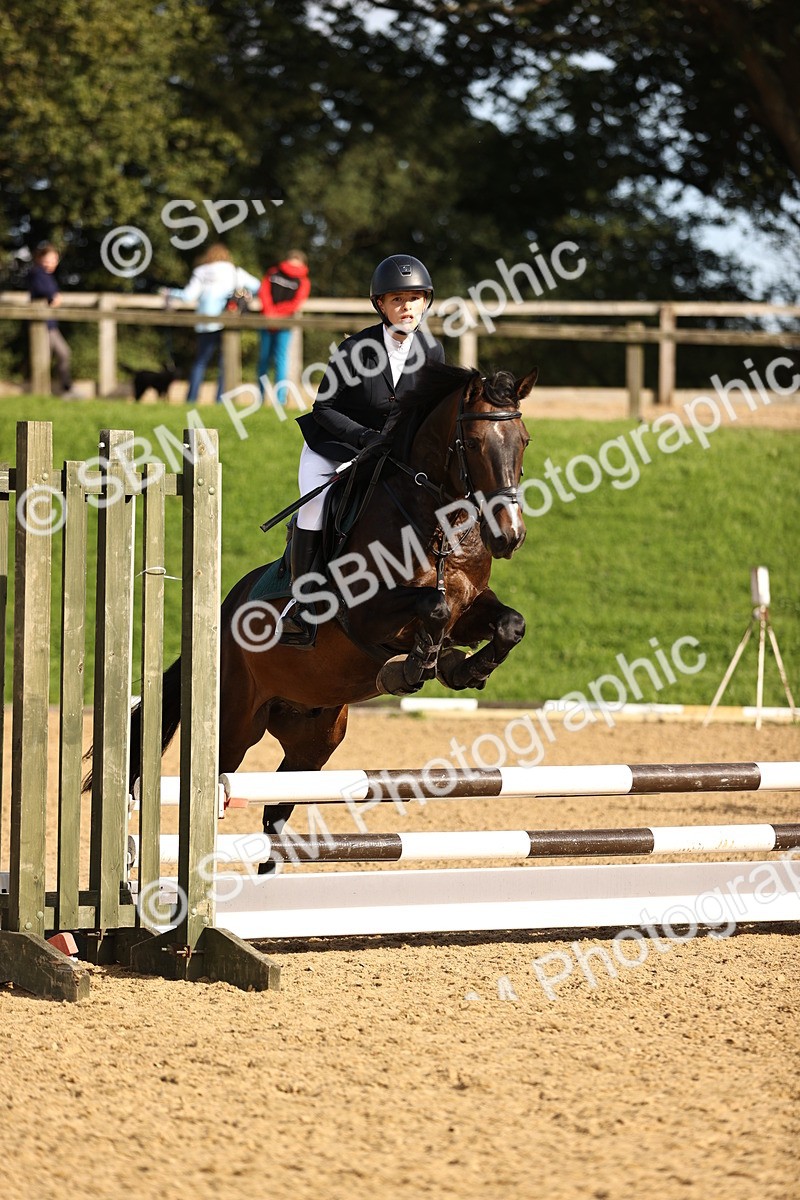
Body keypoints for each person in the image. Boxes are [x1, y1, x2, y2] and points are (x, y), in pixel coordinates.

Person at [283, 253, 445, 638]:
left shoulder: (433, 351)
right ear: (381, 305)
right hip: (335, 450)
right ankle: (301, 605)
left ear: (426, 302)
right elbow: (324, 408)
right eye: (397, 300)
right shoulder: (355, 349)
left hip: (391, 457)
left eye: (414, 299)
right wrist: (364, 437)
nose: (406, 307)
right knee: (315, 509)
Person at [164, 243, 260, 402]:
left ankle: (192, 398)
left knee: (200, 362)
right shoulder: (234, 272)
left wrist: (169, 292)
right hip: (228, 321)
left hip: (205, 322)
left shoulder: (201, 272)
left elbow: (188, 296)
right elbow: (258, 286)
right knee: (226, 364)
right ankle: (221, 400)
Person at [257, 250, 311, 404]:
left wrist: (270, 312)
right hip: (284, 321)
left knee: (264, 360)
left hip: (267, 320)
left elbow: (264, 293)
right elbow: (295, 303)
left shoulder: (273, 272)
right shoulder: (303, 280)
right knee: (281, 360)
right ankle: (280, 400)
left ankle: (260, 398)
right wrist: (278, 314)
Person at [28, 242, 73, 396]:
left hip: (50, 324)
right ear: (40, 258)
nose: (52, 263)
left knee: (63, 353)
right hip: (42, 325)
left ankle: (64, 389)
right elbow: (45, 291)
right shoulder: (37, 273)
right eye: (49, 259)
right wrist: (53, 296)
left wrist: (55, 297)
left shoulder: (46, 275)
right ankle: (44, 392)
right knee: (45, 358)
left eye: (54, 259)